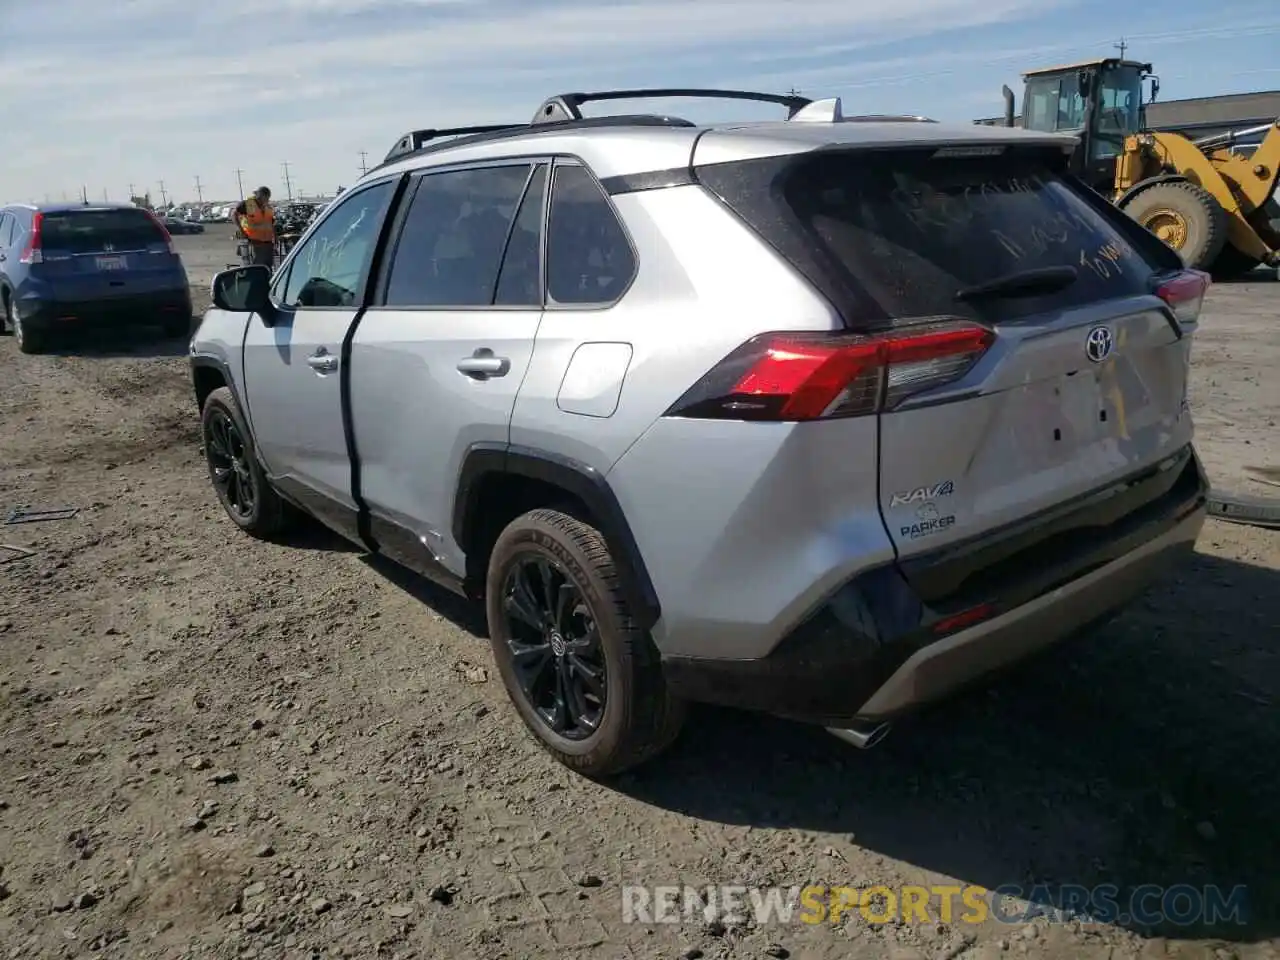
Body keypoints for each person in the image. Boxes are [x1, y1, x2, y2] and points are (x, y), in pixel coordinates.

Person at [235, 186, 276, 268]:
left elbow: (271, 223)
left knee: (268, 266)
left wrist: (275, 236)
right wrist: (242, 231)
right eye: (265, 197)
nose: (266, 199)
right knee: (257, 266)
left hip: (268, 242)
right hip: (254, 242)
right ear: (259, 195)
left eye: (268, 197)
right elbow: (234, 215)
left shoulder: (268, 207)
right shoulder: (247, 204)